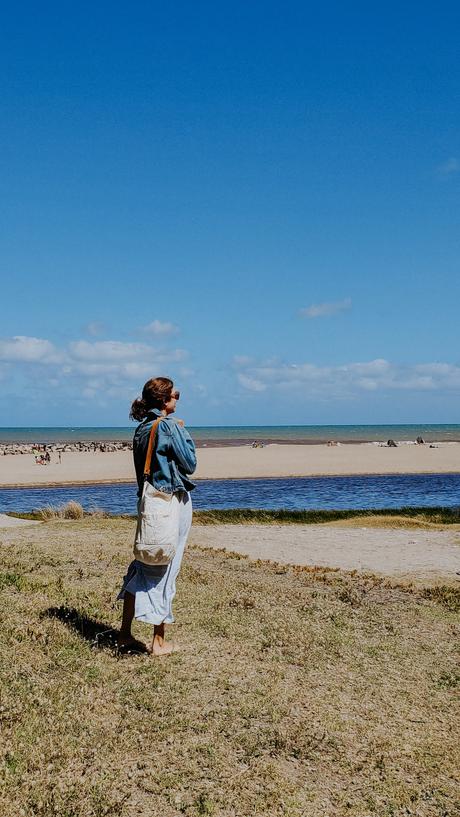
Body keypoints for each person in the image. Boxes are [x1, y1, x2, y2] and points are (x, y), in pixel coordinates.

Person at [117, 377, 197, 656]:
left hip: (148, 502)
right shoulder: (169, 427)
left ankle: (125, 633)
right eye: (176, 394)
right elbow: (190, 464)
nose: (178, 398)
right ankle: (159, 642)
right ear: (164, 401)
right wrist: (181, 433)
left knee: (142, 563)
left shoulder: (141, 429)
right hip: (171, 501)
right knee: (166, 565)